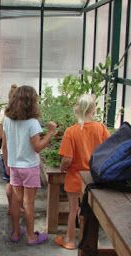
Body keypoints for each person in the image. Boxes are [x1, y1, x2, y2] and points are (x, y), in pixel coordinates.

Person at [2, 85, 56, 244]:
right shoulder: (32, 123)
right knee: (28, 202)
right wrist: (51, 133)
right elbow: (37, 147)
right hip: (29, 167)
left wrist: (6, 162)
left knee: (15, 200)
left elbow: (5, 144)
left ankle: (16, 233)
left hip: (14, 166)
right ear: (31, 102)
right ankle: (32, 236)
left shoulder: (7, 119)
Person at [54, 94, 110, 250]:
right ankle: (87, 242)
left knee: (73, 210)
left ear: (77, 109)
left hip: (75, 178)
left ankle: (70, 241)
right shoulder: (101, 128)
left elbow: (67, 159)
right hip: (93, 180)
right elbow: (109, 151)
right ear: (94, 109)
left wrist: (62, 168)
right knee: (89, 213)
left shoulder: (71, 131)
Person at [0, 84, 18, 214]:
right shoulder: (21, 114)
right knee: (17, 185)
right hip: (13, 154)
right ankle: (17, 208)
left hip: (4, 153)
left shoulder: (4, 112)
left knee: (10, 183)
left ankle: (11, 207)